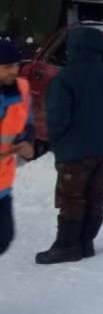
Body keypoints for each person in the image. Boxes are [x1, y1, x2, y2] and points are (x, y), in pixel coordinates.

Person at [36, 27, 103, 265]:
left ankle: (67, 246)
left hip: (73, 150)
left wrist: (57, 140)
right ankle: (86, 242)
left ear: (72, 48)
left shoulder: (65, 78)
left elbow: (57, 117)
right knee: (96, 194)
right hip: (101, 148)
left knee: (71, 197)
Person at [0, 39, 34, 258]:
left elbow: (27, 122)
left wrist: (27, 142)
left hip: (3, 182)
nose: (15, 71)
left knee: (4, 237)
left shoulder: (20, 88)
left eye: (16, 65)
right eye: (7, 67)